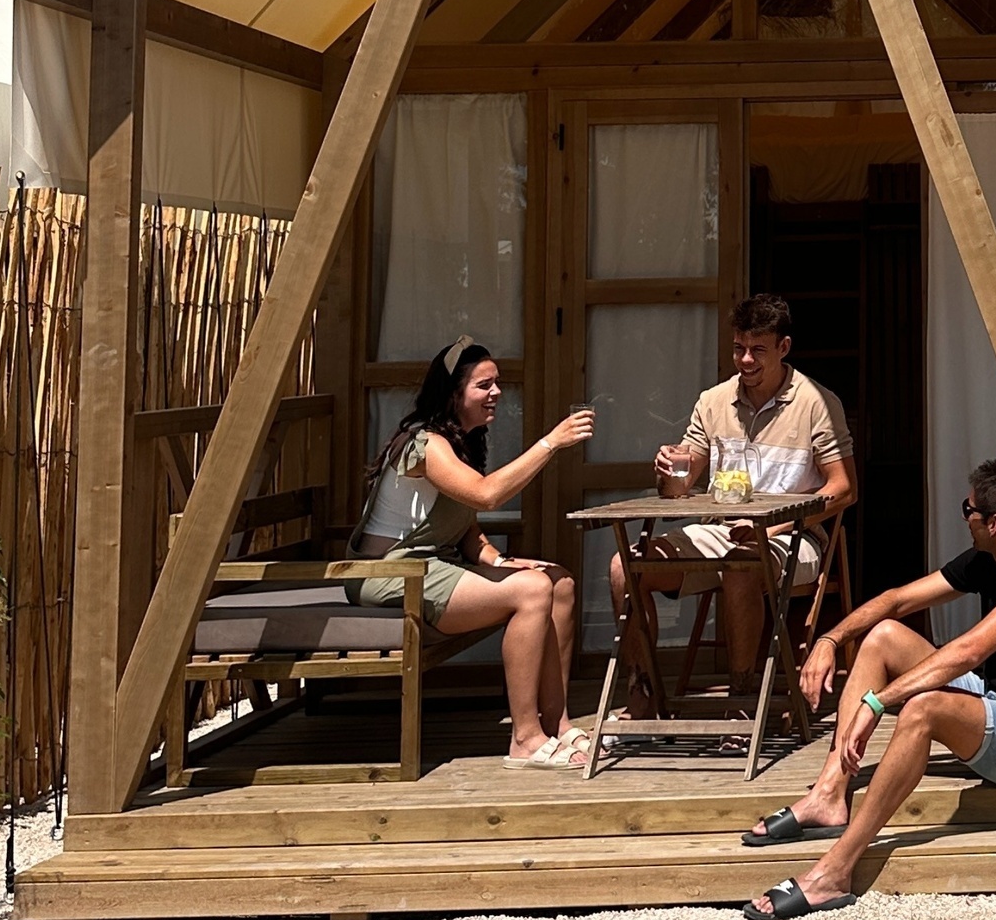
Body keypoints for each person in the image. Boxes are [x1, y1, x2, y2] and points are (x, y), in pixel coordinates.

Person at [739, 453, 996, 919]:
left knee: (924, 708)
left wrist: (877, 702)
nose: (964, 517)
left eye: (968, 510)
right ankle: (828, 794)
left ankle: (835, 871)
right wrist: (830, 639)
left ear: (994, 524)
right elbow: (896, 601)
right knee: (883, 637)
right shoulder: (991, 558)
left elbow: (968, 652)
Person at [346, 338, 597, 765]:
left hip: (432, 566)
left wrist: (500, 561)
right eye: (484, 385)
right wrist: (550, 443)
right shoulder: (426, 444)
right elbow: (485, 495)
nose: (496, 392)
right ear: (453, 393)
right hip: (390, 574)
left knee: (559, 582)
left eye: (497, 383)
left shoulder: (460, 441)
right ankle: (525, 739)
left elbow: (464, 526)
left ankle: (557, 722)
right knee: (533, 591)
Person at [608, 293, 856, 710]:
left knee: (743, 564)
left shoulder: (816, 402)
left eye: (758, 350)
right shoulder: (714, 400)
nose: (745, 360)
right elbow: (679, 486)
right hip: (720, 529)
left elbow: (844, 488)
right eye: (739, 348)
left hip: (793, 535)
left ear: (784, 347)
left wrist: (772, 526)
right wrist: (669, 468)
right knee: (625, 567)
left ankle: (741, 704)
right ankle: (642, 697)